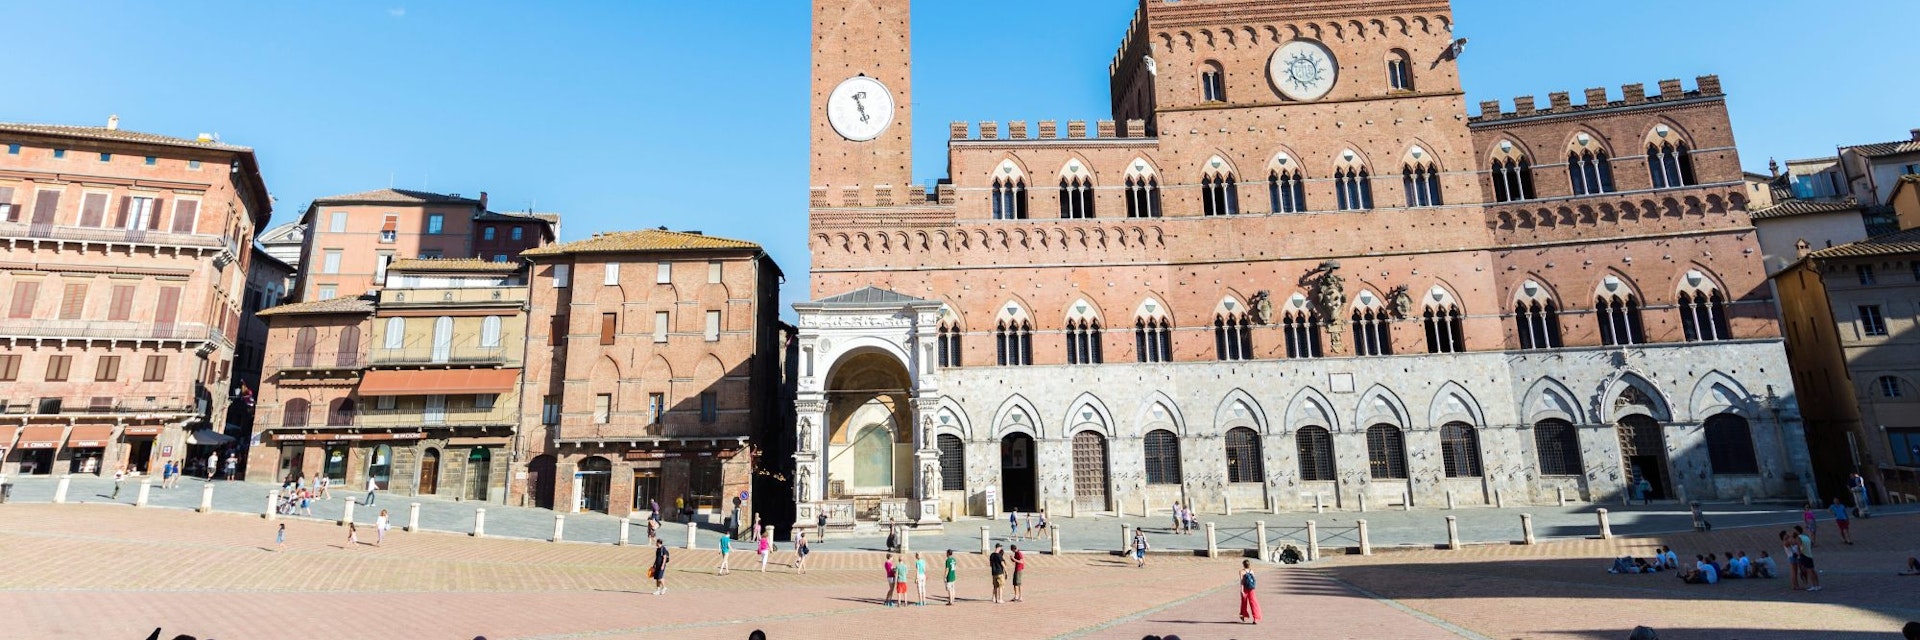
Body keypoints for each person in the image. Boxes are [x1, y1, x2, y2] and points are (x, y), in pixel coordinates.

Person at [1795, 525, 1821, 591]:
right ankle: (1817, 585)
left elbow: (1800, 547)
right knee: (1813, 570)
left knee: (1809, 571)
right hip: (1809, 554)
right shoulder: (1806, 537)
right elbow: (1811, 545)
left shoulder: (1798, 538)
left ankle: (1813, 585)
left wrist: (1799, 554)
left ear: (1797, 531)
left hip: (1804, 555)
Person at [1238, 559, 1261, 624]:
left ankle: (1244, 616)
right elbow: (1254, 580)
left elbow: (1242, 582)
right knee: (1253, 603)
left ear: (1243, 565)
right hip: (1251, 589)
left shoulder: (1241, 571)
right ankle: (1256, 618)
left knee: (1244, 603)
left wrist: (1241, 590)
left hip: (1245, 589)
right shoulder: (1252, 571)